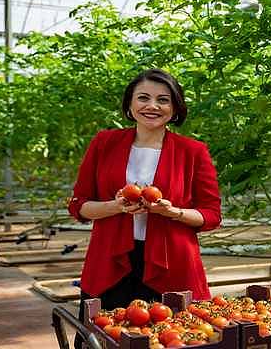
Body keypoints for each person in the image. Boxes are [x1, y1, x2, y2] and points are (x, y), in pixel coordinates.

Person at [68, 68, 221, 333]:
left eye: (163, 100)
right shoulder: (104, 143)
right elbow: (79, 205)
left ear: (175, 108)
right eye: (143, 98)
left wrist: (172, 212)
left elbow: (211, 215)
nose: (152, 106)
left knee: (172, 337)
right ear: (130, 103)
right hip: (110, 263)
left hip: (172, 265)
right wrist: (115, 206)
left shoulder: (193, 151)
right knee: (107, 336)